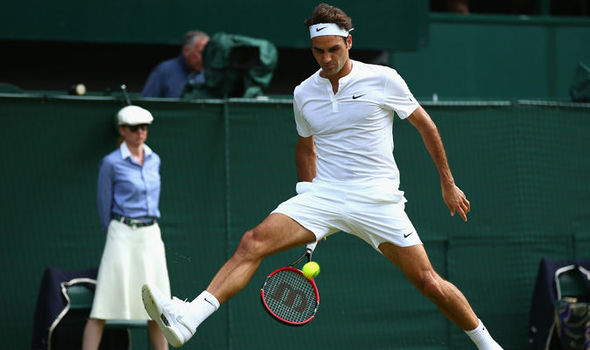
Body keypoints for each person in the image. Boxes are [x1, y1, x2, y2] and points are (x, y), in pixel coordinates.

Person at [141, 3, 503, 349]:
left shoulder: (384, 79)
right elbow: (305, 147)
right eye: (318, 52)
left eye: (333, 49)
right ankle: (189, 317)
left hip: (376, 198)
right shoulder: (303, 92)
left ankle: (488, 345)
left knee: (428, 282)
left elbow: (427, 127)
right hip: (324, 196)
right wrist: (306, 197)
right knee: (252, 242)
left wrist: (447, 182)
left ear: (348, 42)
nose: (326, 59)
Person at [82, 105, 170, 350]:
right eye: (134, 128)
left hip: (151, 235)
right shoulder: (110, 163)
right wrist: (115, 233)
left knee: (158, 306)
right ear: (122, 130)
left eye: (144, 127)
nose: (140, 132)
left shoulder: (155, 159)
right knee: (102, 307)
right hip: (120, 234)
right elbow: (104, 204)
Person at [141, 30, 210, 98]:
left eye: (209, 53)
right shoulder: (164, 71)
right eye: (201, 53)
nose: (206, 58)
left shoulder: (211, 74)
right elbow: (147, 102)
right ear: (186, 51)